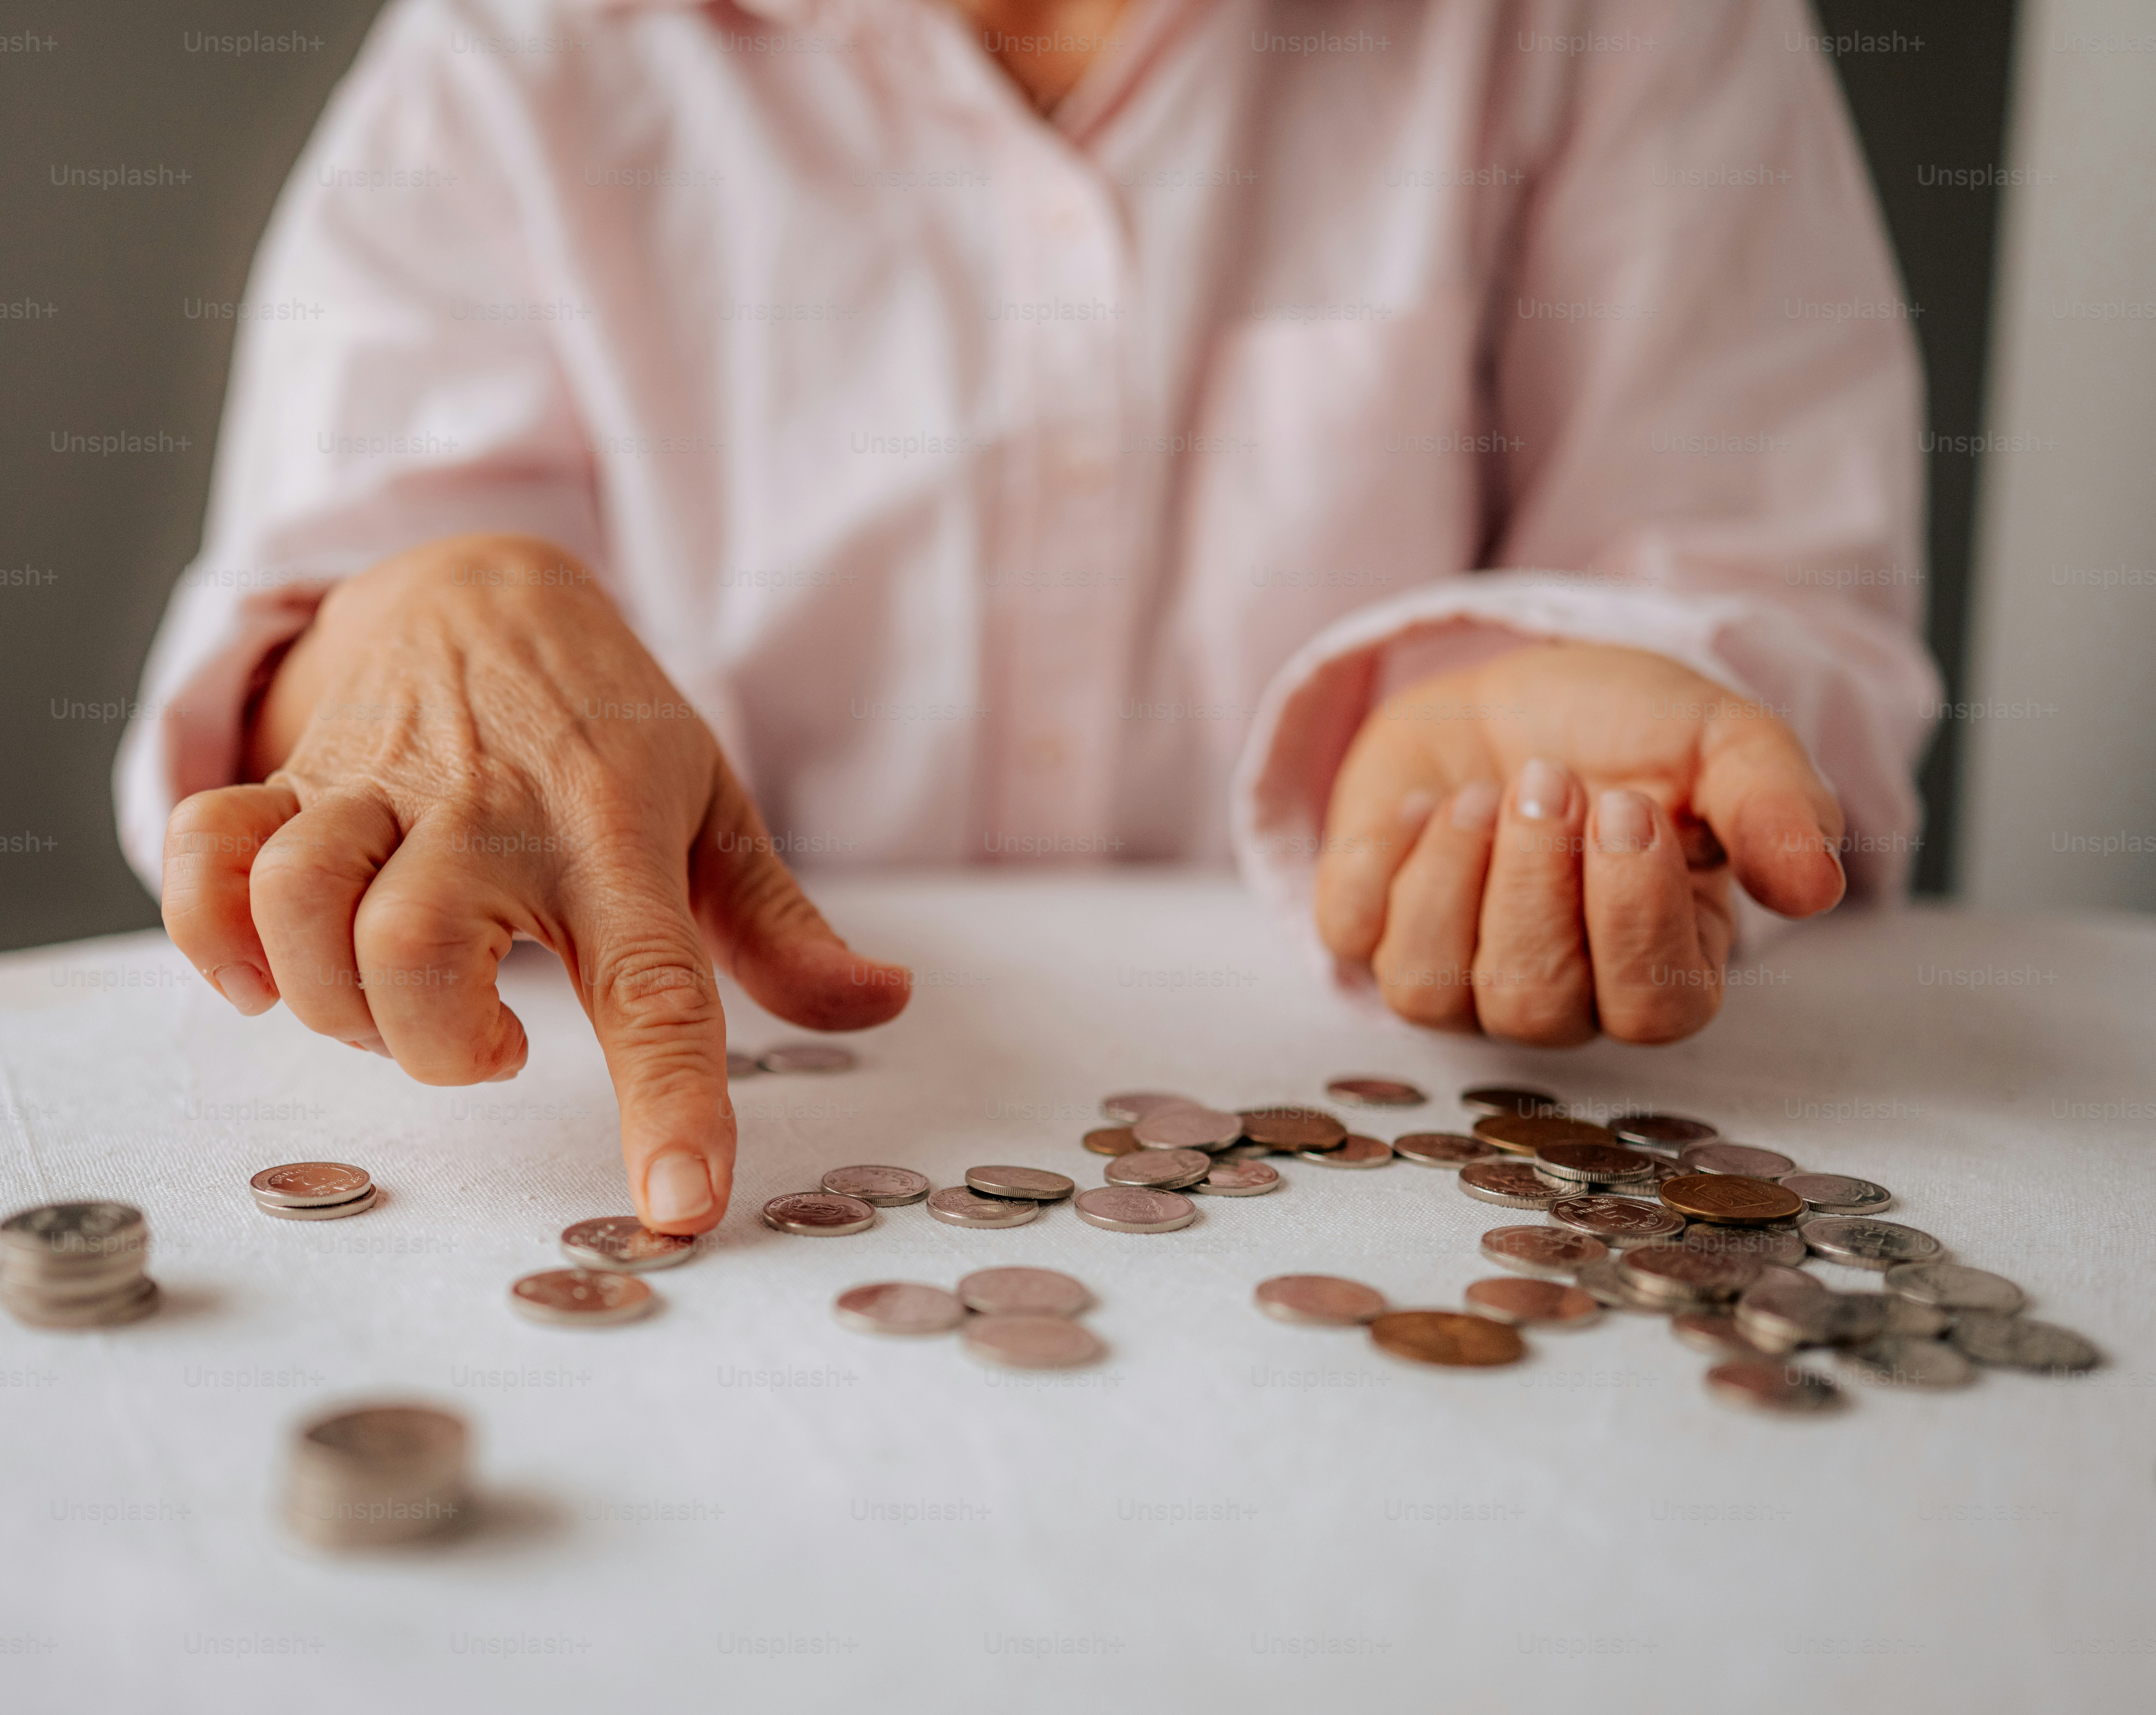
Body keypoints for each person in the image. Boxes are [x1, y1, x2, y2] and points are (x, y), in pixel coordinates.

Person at [118, 0, 1937, 1237]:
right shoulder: (515, 52)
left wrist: (1591, 727)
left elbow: (1777, 603)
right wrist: (410, 628)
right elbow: (312, 674)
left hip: (1441, 1140)